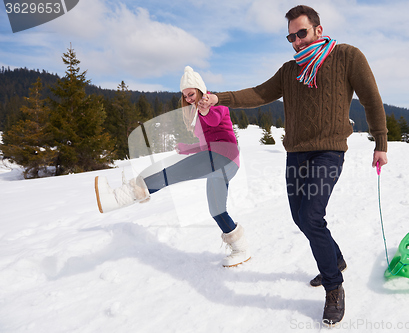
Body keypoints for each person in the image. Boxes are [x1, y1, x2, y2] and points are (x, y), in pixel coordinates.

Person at [199, 5, 388, 326]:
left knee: (312, 215)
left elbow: (371, 98)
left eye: (302, 33)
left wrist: (380, 142)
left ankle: (334, 287)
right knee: (300, 218)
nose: (297, 41)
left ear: (318, 29)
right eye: (291, 36)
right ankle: (336, 259)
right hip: (296, 153)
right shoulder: (290, 70)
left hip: (329, 151)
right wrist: (219, 98)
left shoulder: (347, 56)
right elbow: (259, 93)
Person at [94, 66, 251, 268]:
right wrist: (188, 148)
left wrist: (204, 111)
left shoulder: (217, 107)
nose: (189, 99)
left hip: (224, 156)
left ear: (201, 90)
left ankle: (118, 197)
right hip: (217, 160)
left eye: (191, 94)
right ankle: (241, 248)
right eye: (185, 96)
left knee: (171, 173)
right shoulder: (197, 114)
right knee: (217, 210)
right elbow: (206, 143)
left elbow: (213, 120)